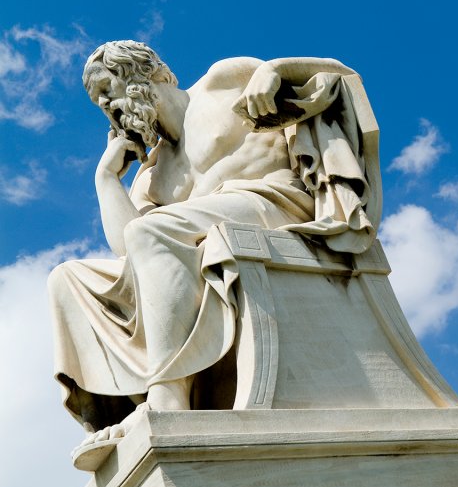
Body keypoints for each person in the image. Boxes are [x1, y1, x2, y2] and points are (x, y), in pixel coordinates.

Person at [47, 41, 376, 451]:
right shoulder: (153, 174)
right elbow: (129, 255)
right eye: (99, 103)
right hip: (201, 232)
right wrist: (106, 178)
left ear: (141, 73)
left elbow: (340, 73)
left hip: (275, 202)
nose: (107, 106)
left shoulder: (221, 81)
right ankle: (122, 410)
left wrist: (277, 70)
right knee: (67, 278)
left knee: (153, 230)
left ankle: (167, 394)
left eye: (107, 90)